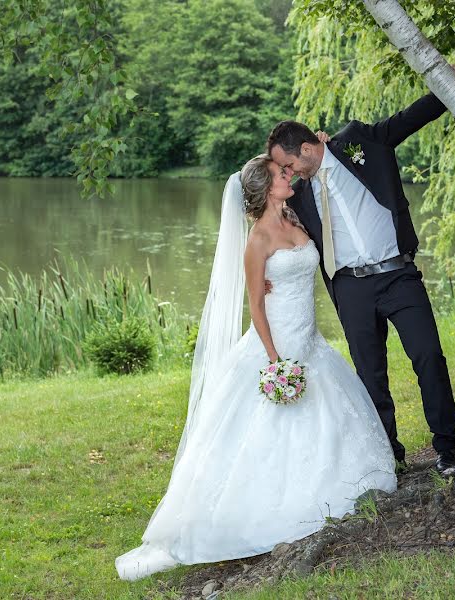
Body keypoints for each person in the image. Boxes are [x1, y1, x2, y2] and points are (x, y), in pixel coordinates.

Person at [115, 153, 397, 581]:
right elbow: (255, 306)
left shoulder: (297, 219)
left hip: (311, 342)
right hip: (277, 346)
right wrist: (274, 360)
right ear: (264, 190)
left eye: (286, 172)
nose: (288, 176)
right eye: (280, 174)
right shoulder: (258, 240)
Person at [266, 69, 455, 477]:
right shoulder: (298, 193)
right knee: (370, 375)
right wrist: (267, 271)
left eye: (289, 164)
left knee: (428, 355)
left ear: (308, 147)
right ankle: (389, 457)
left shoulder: (359, 143)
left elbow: (407, 119)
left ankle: (446, 449)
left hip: (398, 275)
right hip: (351, 288)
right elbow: (264, 213)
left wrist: (447, 88)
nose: (288, 173)